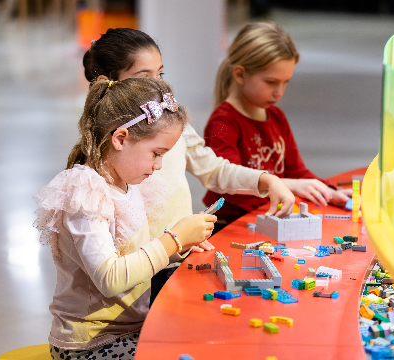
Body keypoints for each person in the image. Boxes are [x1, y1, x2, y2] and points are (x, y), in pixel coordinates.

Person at [83, 28, 296, 304]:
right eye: (144, 76)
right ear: (108, 83)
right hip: (141, 272)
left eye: (160, 74)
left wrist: (265, 180)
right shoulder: (106, 155)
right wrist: (172, 241)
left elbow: (214, 169)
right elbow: (111, 264)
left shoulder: (173, 126)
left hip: (179, 257)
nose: (158, 85)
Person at [34, 77, 217, 358]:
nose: (159, 166)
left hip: (131, 328)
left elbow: (131, 253)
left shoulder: (127, 182)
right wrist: (173, 239)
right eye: (156, 154)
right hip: (89, 343)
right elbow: (110, 278)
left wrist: (178, 249)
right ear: (120, 139)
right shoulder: (86, 191)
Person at [203, 22, 352, 226]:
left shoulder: (277, 116)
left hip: (269, 218)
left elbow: (297, 172)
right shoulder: (222, 123)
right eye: (271, 82)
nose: (279, 92)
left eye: (285, 82)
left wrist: (329, 191)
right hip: (230, 224)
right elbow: (232, 185)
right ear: (239, 74)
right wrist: (285, 185)